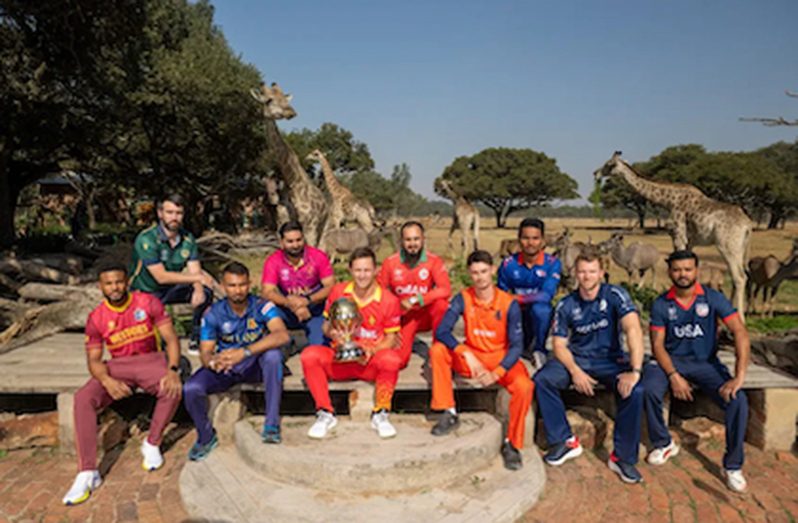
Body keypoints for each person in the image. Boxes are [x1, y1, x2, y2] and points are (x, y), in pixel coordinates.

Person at [63, 261, 182, 506]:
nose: (115, 287)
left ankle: (152, 442)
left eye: (119, 281)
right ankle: (87, 471)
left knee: (172, 388)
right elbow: (94, 361)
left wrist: (172, 369)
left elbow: (171, 339)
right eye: (109, 283)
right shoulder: (96, 317)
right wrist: (106, 380)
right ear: (101, 286)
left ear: (127, 281)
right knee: (82, 398)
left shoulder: (147, 302)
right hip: (118, 366)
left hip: (151, 360)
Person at [534, 250, 646, 484]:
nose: (586, 276)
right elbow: (559, 345)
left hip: (611, 360)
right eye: (582, 271)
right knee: (543, 380)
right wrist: (575, 371)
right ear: (575, 273)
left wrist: (635, 371)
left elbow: (633, 329)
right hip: (579, 359)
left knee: (635, 391)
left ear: (601, 273)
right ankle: (564, 441)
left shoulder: (616, 295)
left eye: (592, 271)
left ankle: (623, 458)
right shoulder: (566, 303)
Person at [642, 250, 750, 493]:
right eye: (677, 269)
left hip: (705, 363)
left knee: (738, 401)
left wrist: (739, 376)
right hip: (670, 360)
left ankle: (732, 465)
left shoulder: (713, 298)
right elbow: (657, 345)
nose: (683, 274)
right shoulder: (661, 303)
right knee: (647, 388)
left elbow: (740, 332)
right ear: (670, 272)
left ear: (696, 271)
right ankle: (664, 442)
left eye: (688, 269)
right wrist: (673, 376)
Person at [429, 250, 533, 471]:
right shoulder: (463, 298)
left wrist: (497, 372)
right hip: (472, 355)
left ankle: (512, 444)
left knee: (524, 386)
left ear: (493, 271)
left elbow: (517, 346)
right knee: (438, 351)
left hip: (500, 357)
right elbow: (442, 331)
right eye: (475, 273)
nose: (480, 277)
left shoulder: (508, 303)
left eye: (484, 271)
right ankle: (448, 411)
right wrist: (464, 352)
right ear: (469, 273)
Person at [183, 262, 290, 460]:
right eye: (232, 285)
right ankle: (205, 437)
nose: (238, 290)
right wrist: (213, 362)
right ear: (223, 287)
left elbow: (282, 335)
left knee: (273, 356)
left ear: (249, 284)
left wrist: (246, 352)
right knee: (191, 388)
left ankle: (272, 424)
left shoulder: (262, 306)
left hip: (255, 365)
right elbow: (205, 351)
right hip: (227, 367)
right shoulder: (213, 313)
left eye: (242, 285)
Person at [300, 247, 403, 439]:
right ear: (350, 270)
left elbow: (391, 339)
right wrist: (333, 333)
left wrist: (372, 349)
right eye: (357, 270)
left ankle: (381, 412)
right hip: (340, 359)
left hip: (368, 363)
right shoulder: (339, 292)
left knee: (391, 359)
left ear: (375, 271)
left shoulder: (389, 300)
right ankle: (325, 413)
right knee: (309, 355)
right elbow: (325, 325)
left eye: (366, 270)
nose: (362, 275)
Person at [129, 194, 215, 354]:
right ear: (160, 213)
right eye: (170, 212)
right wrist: (198, 278)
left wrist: (198, 288)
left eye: (178, 213)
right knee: (154, 344)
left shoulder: (187, 238)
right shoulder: (147, 239)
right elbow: (160, 276)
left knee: (206, 292)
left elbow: (194, 269)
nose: (174, 217)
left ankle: (196, 339)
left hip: (170, 289)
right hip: (145, 292)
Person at [377, 220, 451, 366]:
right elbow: (380, 293)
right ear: (401, 241)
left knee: (441, 305)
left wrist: (416, 300)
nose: (413, 244)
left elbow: (445, 289)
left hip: (425, 315)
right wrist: (390, 327)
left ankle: (439, 350)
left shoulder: (433, 261)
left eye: (416, 239)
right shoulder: (390, 263)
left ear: (423, 239)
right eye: (408, 240)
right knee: (400, 361)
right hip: (404, 317)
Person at [497, 218, 561, 370]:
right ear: (519, 240)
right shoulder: (508, 264)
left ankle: (539, 351)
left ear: (542, 240)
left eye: (535, 238)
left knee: (541, 308)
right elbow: (500, 296)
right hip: (517, 315)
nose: (530, 243)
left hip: (538, 317)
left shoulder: (552, 263)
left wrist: (517, 298)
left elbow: (546, 296)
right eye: (525, 238)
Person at [261, 221, 335, 352]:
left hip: (314, 309)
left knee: (318, 350)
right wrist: (291, 304)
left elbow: (330, 286)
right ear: (282, 242)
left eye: (298, 240)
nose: (295, 245)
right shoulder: (273, 261)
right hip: (286, 309)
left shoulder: (318, 257)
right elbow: (267, 291)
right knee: (263, 313)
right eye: (290, 241)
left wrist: (307, 301)